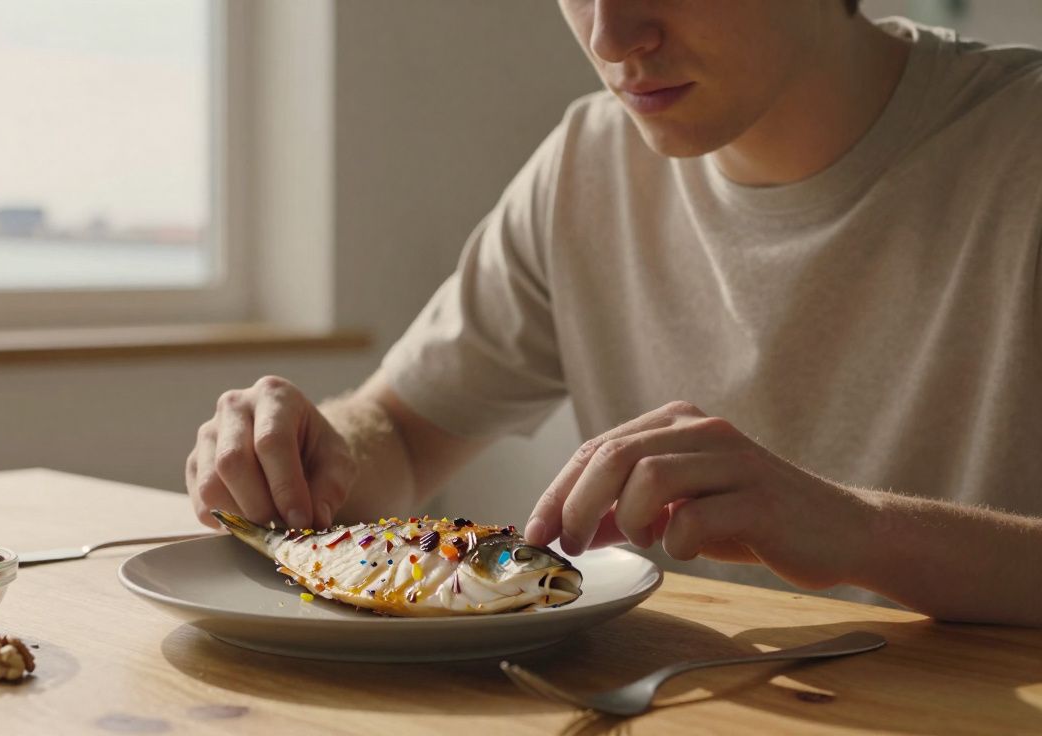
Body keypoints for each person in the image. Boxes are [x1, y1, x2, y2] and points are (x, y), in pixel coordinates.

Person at [185, 0, 1042, 626]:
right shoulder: (587, 165)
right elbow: (403, 434)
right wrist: (311, 457)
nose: (608, 35)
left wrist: (862, 532)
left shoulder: (1021, 143)